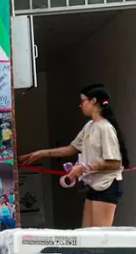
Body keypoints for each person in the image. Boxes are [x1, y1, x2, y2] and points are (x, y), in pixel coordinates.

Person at [18, 84, 130, 228]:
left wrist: (85, 167)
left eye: (83, 101)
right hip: (94, 185)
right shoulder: (90, 125)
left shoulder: (105, 128)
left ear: (94, 101)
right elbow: (71, 148)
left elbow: (114, 163)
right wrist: (41, 153)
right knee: (86, 232)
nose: (80, 105)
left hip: (107, 185)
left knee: (100, 236)